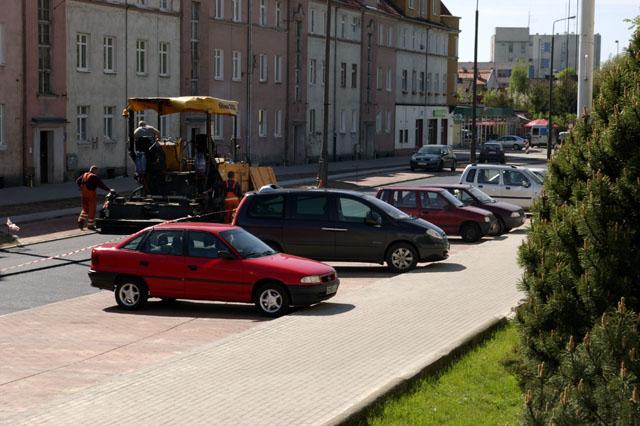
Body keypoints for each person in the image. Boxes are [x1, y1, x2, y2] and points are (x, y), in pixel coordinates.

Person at [76, 165, 113, 230]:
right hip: (91, 195)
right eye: (97, 171)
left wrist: (81, 187)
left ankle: (80, 221)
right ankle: (90, 225)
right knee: (92, 210)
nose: (97, 172)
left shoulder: (84, 175)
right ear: (95, 170)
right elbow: (101, 185)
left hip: (84, 195)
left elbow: (77, 181)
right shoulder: (94, 177)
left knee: (85, 209)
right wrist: (109, 189)